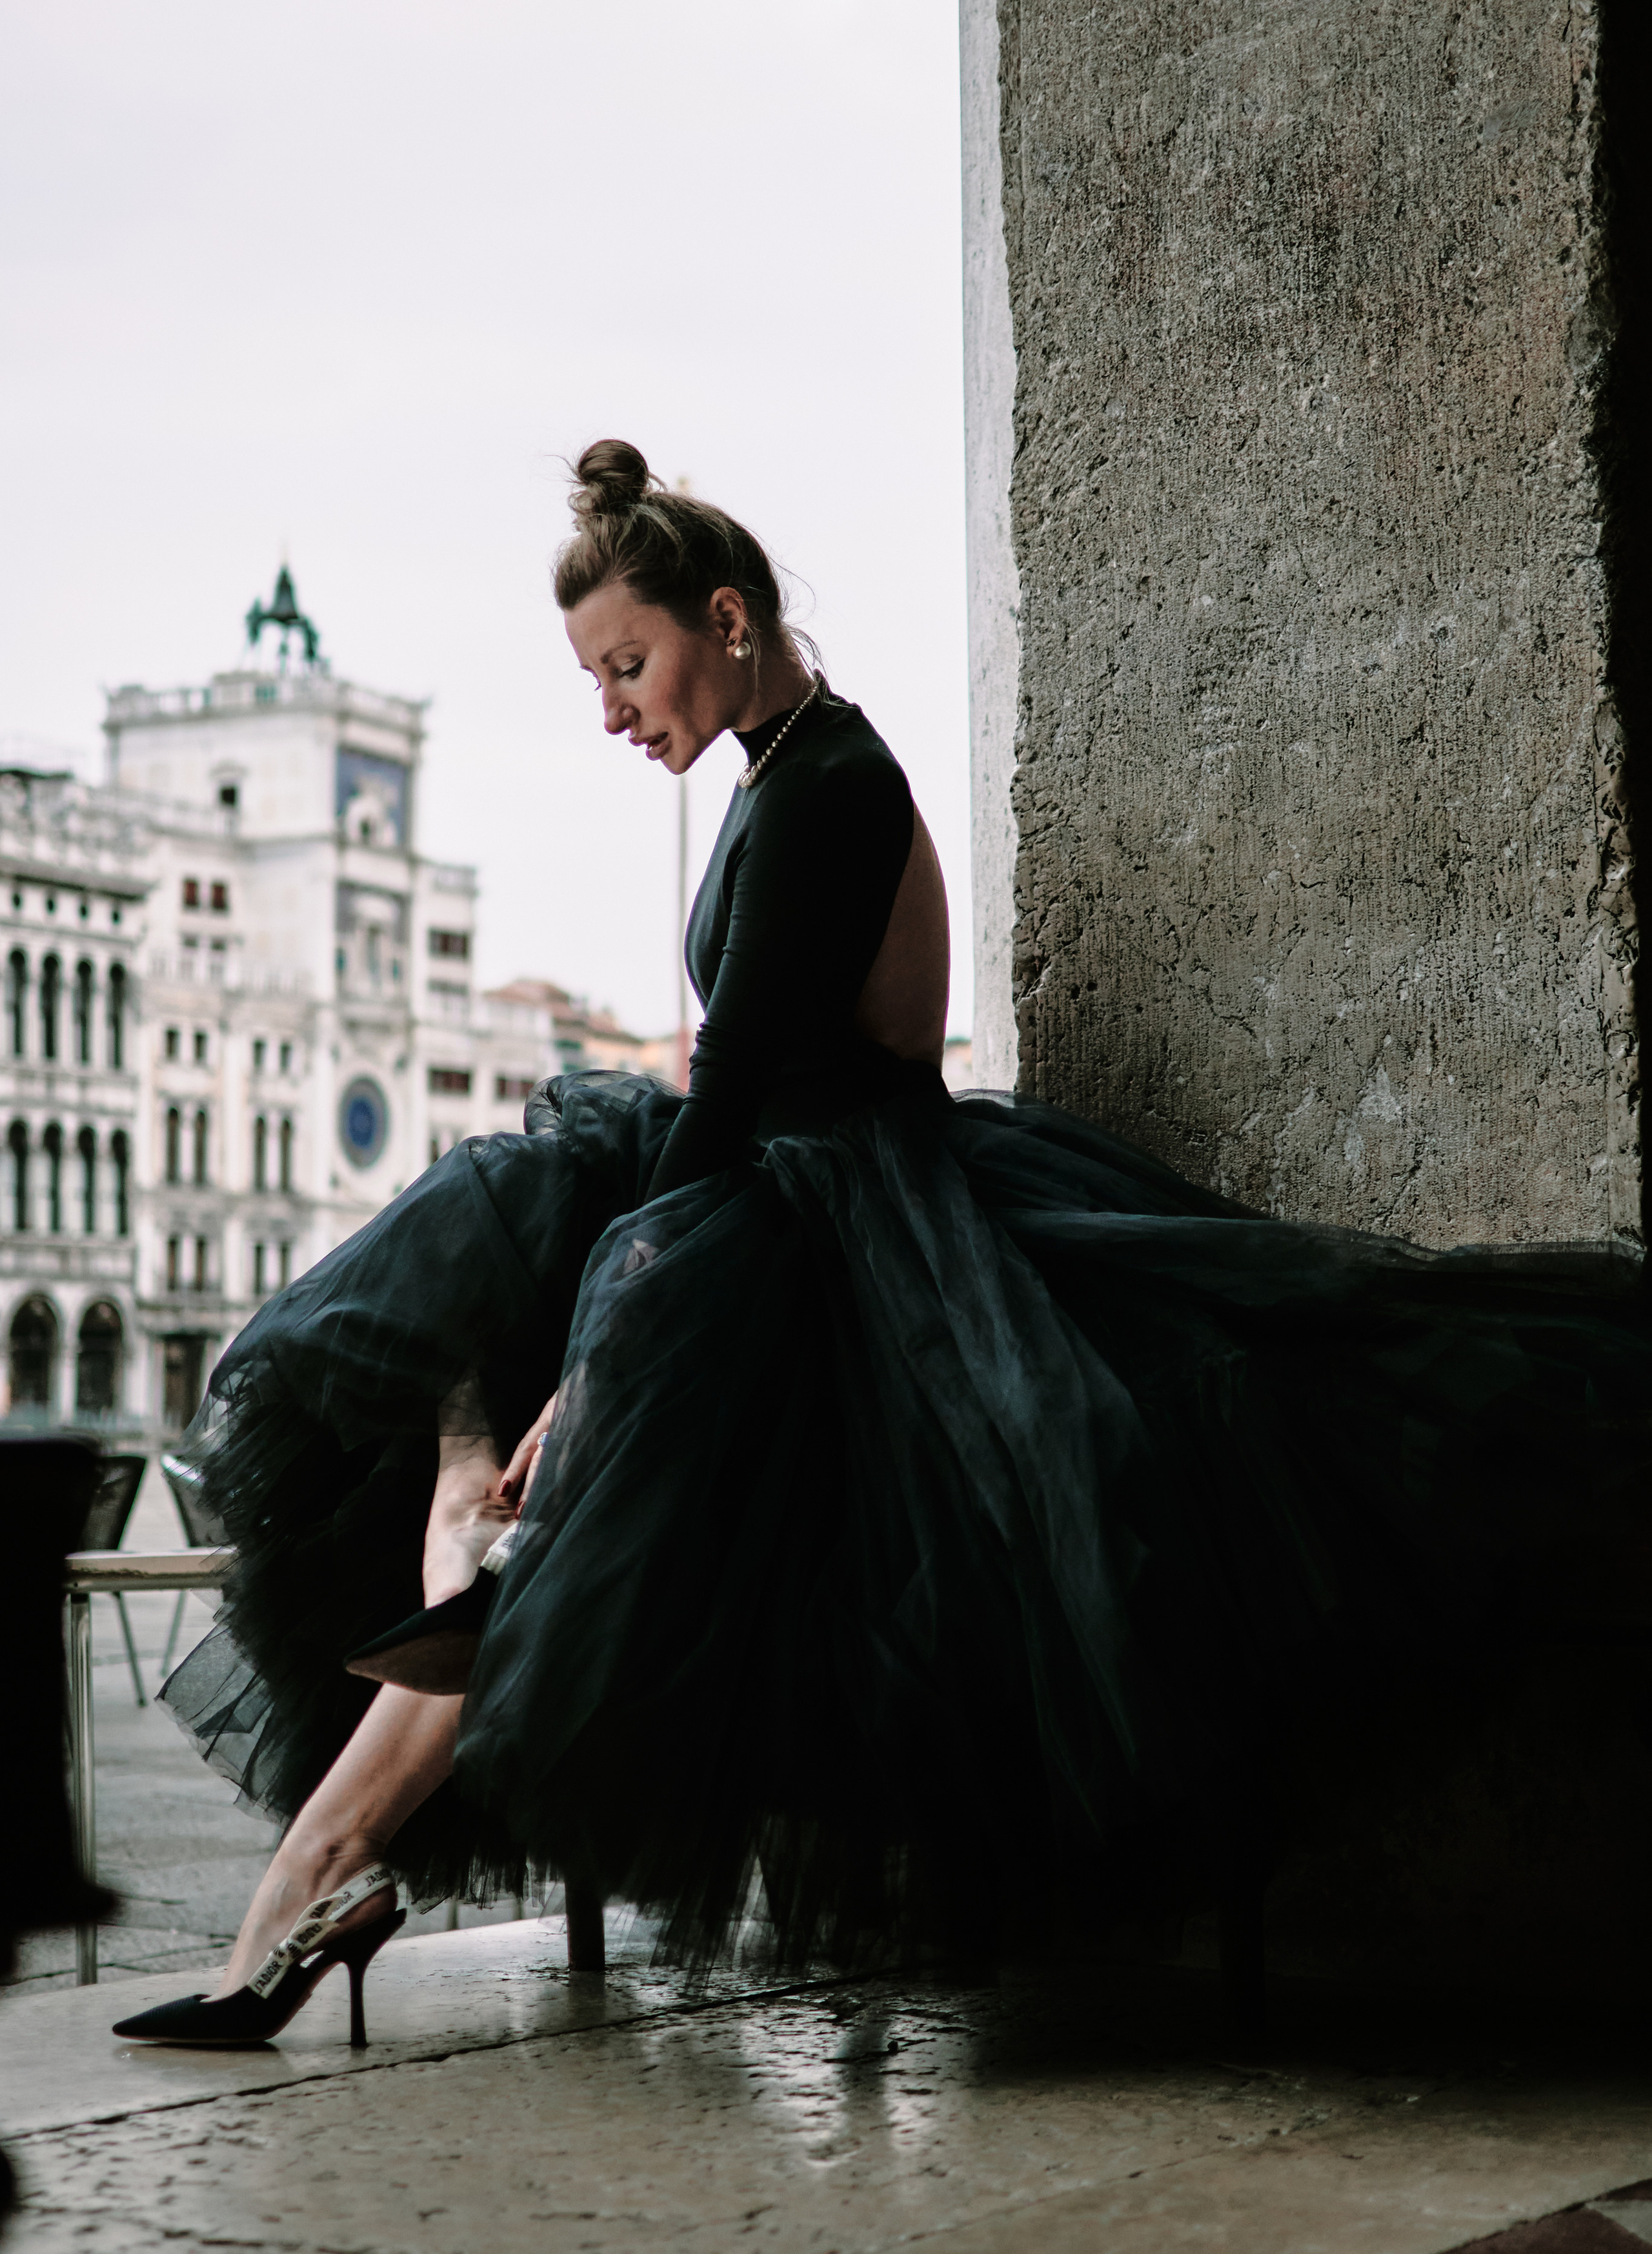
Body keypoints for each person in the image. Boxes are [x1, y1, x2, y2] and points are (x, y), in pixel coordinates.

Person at [117, 440, 1652, 2046]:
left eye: (627, 666)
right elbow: (723, 1089)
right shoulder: (783, 770)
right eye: (593, 679)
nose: (612, 709)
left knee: (536, 1441)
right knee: (465, 1379)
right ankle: (336, 1842)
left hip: (828, 1212)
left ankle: (317, 1878)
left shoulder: (830, 783)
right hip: (773, 1195)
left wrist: (597, 1350)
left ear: (724, 618)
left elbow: (737, 1081)